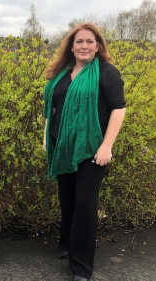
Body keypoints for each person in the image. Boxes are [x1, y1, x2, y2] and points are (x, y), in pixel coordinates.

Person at [42, 23, 126, 281]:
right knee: (67, 199)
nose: (84, 46)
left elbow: (118, 109)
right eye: (79, 41)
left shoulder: (106, 72)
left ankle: (81, 267)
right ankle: (67, 244)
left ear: (98, 46)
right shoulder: (62, 74)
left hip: (92, 150)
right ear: (72, 46)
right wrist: (46, 135)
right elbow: (53, 108)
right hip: (63, 147)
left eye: (90, 41)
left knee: (85, 205)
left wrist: (106, 146)